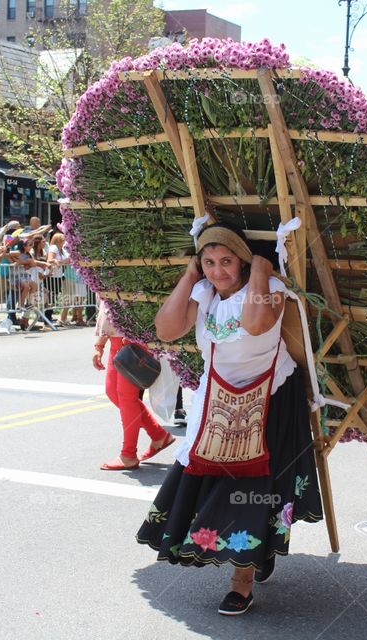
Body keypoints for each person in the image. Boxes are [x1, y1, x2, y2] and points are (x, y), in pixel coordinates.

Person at [136, 222, 323, 615]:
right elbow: (167, 329)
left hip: (269, 399)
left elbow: (255, 324)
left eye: (226, 261)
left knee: (251, 487)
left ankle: (242, 581)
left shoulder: (271, 291)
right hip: (217, 400)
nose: (218, 270)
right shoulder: (203, 292)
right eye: (209, 262)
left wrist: (261, 268)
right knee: (211, 483)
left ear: (241, 262)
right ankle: (258, 550)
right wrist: (190, 276)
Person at [92, 299, 173, 470]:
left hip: (135, 340)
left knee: (126, 397)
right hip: (116, 340)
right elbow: (105, 307)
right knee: (112, 392)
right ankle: (158, 435)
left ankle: (128, 454)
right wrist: (99, 345)